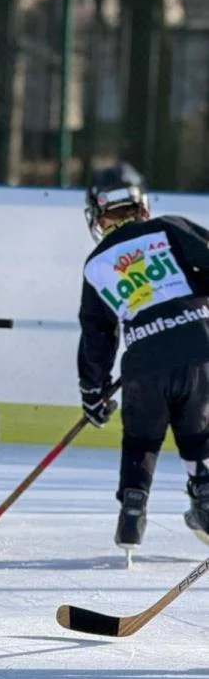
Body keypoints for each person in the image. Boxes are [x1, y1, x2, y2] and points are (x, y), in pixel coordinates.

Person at [77, 162, 209, 552]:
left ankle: (132, 508)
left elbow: (98, 334)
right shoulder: (168, 227)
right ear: (142, 205)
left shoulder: (96, 263)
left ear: (99, 214)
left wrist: (93, 390)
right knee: (198, 431)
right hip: (199, 348)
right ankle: (205, 494)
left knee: (142, 439)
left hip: (142, 361)